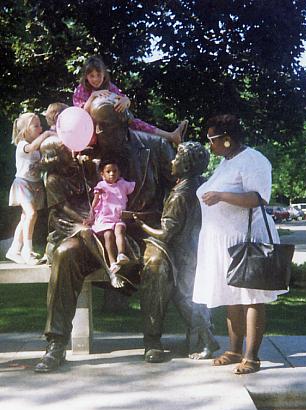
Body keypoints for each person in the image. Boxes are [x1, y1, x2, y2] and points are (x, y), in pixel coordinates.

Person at [34, 96, 175, 373]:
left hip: (142, 230)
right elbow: (65, 195)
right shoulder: (82, 151)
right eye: (94, 126)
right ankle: (56, 343)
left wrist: (171, 225)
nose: (96, 134)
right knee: (65, 254)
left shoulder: (155, 147)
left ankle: (153, 340)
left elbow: (179, 186)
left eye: (104, 127)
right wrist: (81, 227)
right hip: (97, 230)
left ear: (123, 123)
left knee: (156, 263)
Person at [192, 114, 288, 375]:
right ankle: (234, 350)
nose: (209, 145)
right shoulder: (226, 162)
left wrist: (222, 195)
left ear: (226, 139)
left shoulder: (254, 160)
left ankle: (252, 357)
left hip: (247, 240)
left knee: (252, 298)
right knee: (230, 296)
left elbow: (258, 198)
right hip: (223, 241)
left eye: (212, 140)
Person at [133, 142, 220, 363]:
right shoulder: (199, 185)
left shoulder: (180, 194)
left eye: (176, 159)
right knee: (191, 296)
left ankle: (208, 339)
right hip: (195, 248)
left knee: (185, 297)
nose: (172, 162)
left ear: (187, 165)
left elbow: (166, 233)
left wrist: (141, 226)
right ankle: (206, 338)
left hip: (182, 253)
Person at [73, 55, 188, 145]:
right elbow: (80, 115)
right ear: (86, 76)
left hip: (113, 126)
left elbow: (124, 99)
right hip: (91, 128)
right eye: (91, 76)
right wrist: (93, 96)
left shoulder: (109, 87)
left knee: (135, 123)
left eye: (98, 75)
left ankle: (171, 136)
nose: (95, 79)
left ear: (104, 74)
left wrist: (125, 101)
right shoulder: (81, 89)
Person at [6, 113, 54, 265]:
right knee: (31, 214)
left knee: (25, 218)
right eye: (36, 126)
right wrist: (47, 133)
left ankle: (14, 250)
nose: (41, 128)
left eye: (41, 125)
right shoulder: (22, 145)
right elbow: (31, 148)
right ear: (25, 130)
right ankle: (28, 251)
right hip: (23, 184)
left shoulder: (38, 148)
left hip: (35, 185)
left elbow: (40, 162)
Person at [85, 160, 136, 274]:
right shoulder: (101, 186)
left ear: (119, 172)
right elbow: (95, 202)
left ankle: (121, 254)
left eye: (114, 171)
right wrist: (91, 216)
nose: (112, 174)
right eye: (108, 172)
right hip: (105, 217)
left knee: (120, 230)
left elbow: (135, 187)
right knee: (108, 235)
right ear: (102, 174)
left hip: (118, 216)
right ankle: (112, 262)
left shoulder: (123, 184)